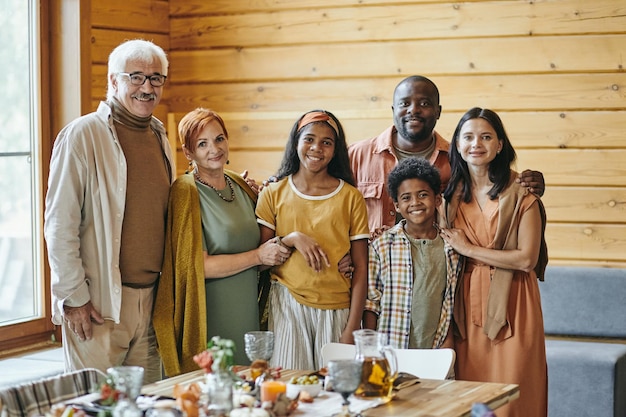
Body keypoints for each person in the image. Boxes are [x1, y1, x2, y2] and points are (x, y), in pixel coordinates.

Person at [44, 39, 174, 382]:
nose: (147, 87)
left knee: (148, 405)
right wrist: (73, 298)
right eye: (136, 77)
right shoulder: (82, 135)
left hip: (152, 302)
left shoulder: (160, 135)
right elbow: (60, 224)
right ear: (113, 81)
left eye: (156, 78)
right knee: (98, 404)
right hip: (99, 306)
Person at [153, 108, 291, 376]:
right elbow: (197, 267)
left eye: (219, 139)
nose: (214, 149)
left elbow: (264, 245)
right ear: (188, 152)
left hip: (247, 311)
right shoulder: (185, 191)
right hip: (210, 313)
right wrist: (258, 257)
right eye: (202, 144)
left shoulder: (241, 185)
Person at [440, 107, 548, 417]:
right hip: (466, 303)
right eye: (468, 137)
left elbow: (526, 259)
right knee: (471, 394)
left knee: (516, 390)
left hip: (515, 302)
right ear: (457, 145)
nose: (477, 143)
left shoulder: (522, 193)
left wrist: (469, 249)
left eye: (486, 136)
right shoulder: (450, 197)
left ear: (500, 144)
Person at [348, 75, 545, 238]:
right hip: (370, 271)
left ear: (438, 111)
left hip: (437, 271)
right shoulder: (357, 155)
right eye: (404, 103)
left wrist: (529, 181)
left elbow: (494, 183)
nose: (413, 110)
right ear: (393, 110)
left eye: (424, 103)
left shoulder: (458, 158)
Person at [255, 110, 370, 370]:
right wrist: (290, 239)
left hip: (338, 310)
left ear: (336, 149)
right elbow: (260, 262)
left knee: (335, 394)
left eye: (326, 142)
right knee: (292, 388)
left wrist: (352, 328)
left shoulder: (351, 197)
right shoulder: (273, 194)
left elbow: (361, 267)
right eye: (309, 139)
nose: (316, 148)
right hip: (287, 307)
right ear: (296, 142)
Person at [364, 157, 462, 350]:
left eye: (423, 195)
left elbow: (450, 301)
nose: (415, 202)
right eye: (406, 197)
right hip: (390, 349)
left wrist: (447, 343)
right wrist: (371, 349)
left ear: (437, 199)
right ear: (397, 206)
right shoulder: (381, 246)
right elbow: (371, 303)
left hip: (434, 349)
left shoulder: (451, 249)